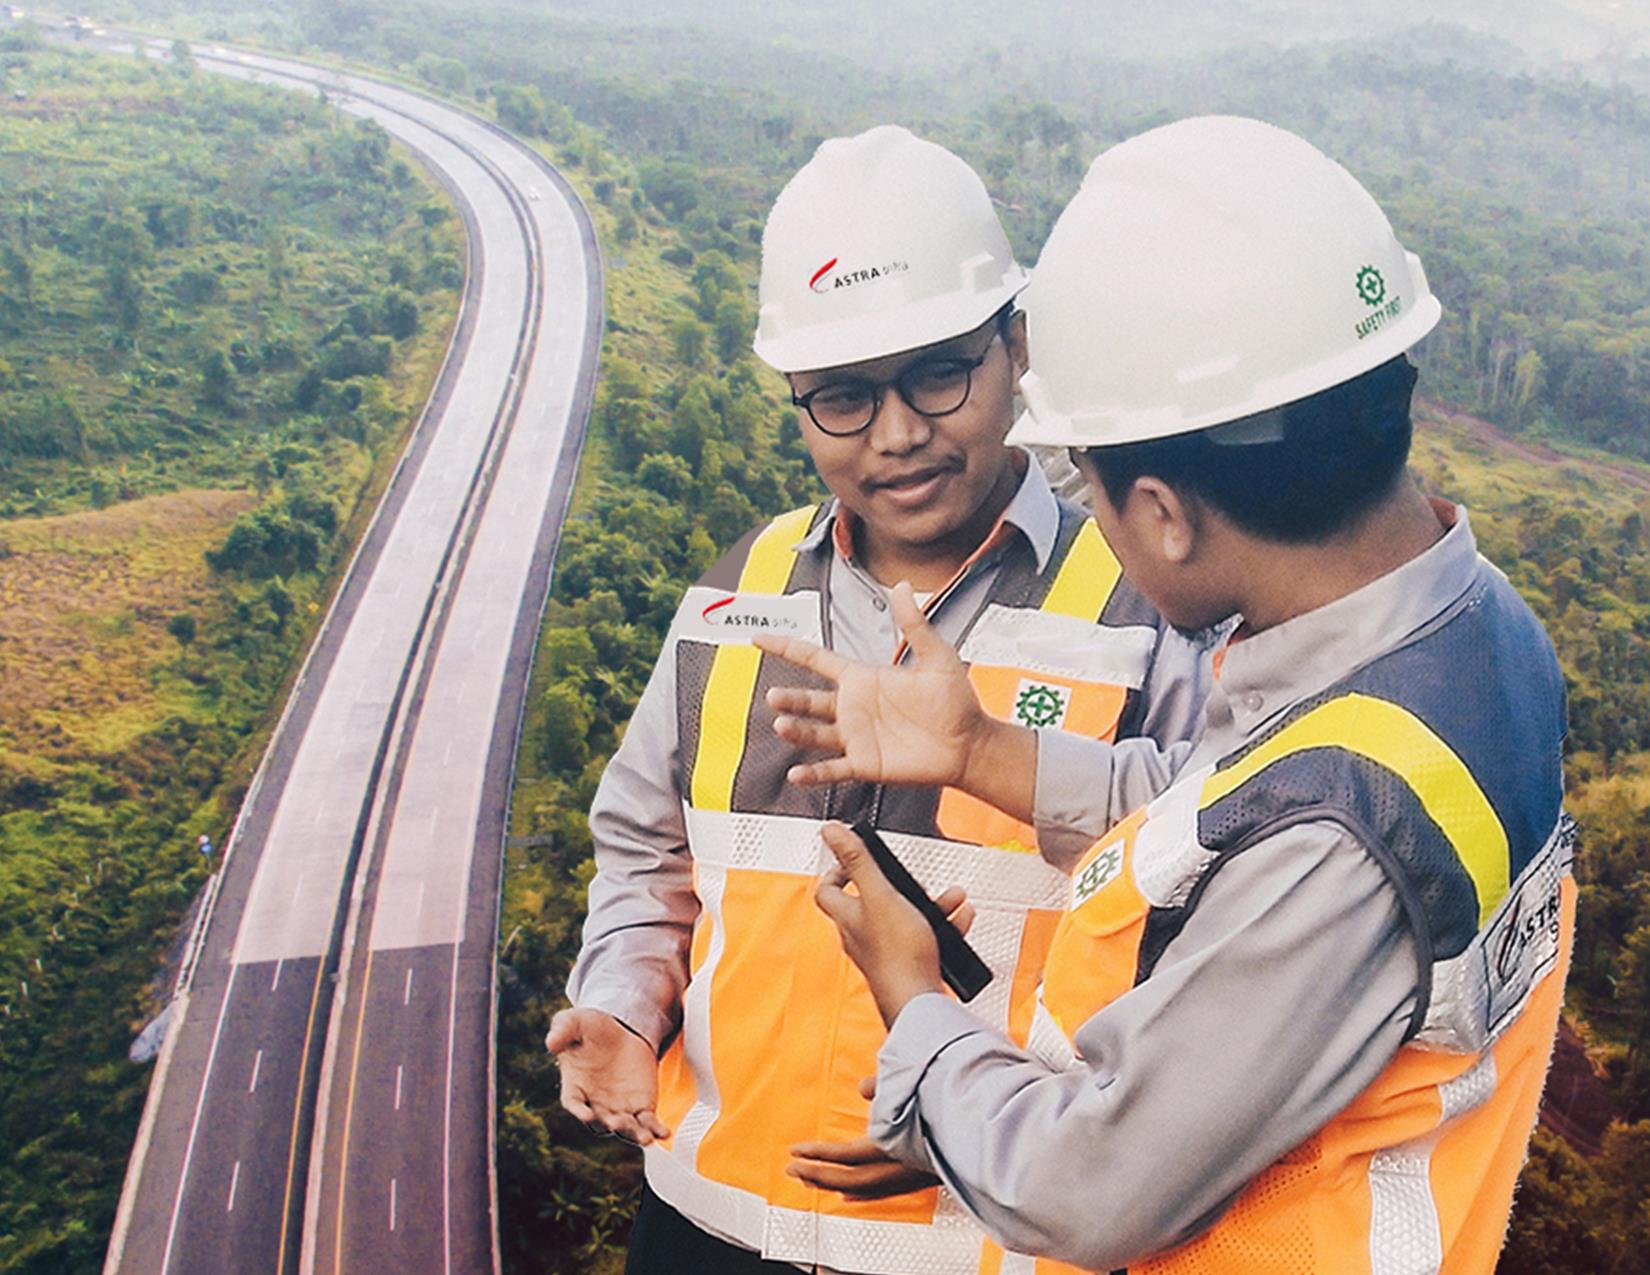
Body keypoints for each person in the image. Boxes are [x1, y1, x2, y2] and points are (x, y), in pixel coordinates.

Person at [758, 116, 1573, 1274]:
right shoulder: (1469, 626)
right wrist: (986, 748)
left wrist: (916, 999)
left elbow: (1079, 1189)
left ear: (1167, 513)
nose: (1087, 516)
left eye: (1087, 484)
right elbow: (1232, 800)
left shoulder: (1342, 838)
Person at [548, 124, 1212, 1274]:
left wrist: (970, 1108)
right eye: (844, 399)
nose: (898, 435)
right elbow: (650, 854)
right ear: (798, 402)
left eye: (938, 375)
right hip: (706, 1222)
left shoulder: (1149, 605)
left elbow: (1211, 926)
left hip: (981, 1237)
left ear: (1016, 348)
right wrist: (619, 1006)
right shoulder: (735, 598)